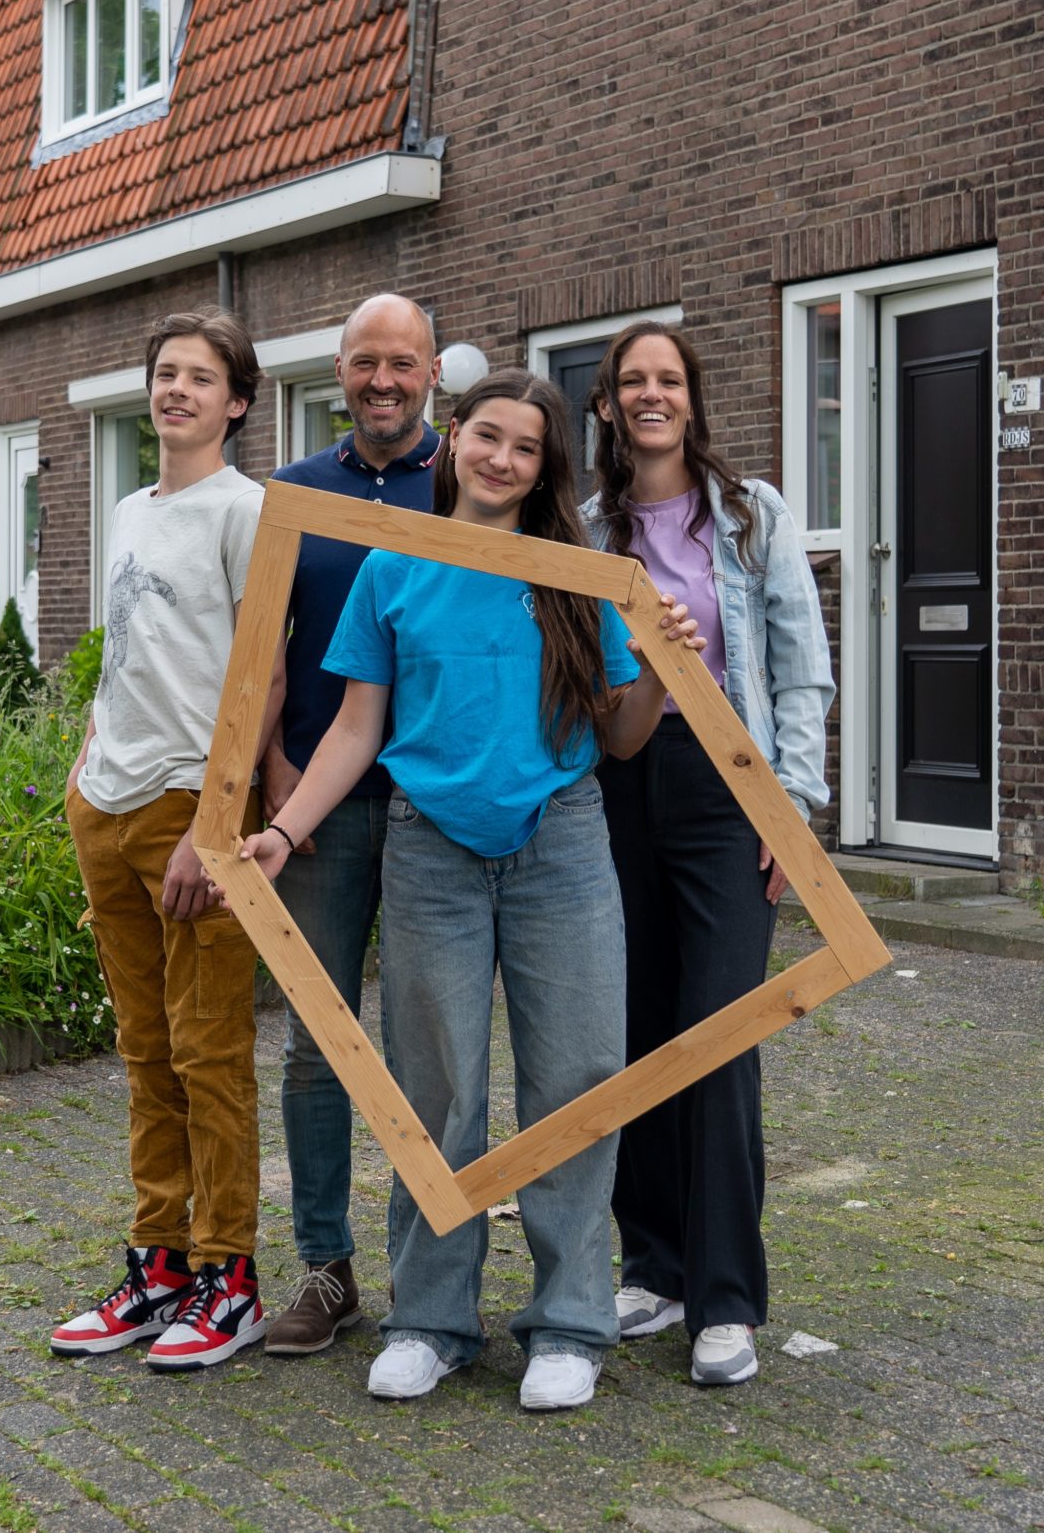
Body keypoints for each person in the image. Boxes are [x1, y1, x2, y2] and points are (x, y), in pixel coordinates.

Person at [235, 369, 701, 1414]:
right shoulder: (395, 562)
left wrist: (665, 668)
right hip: (429, 846)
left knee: (575, 1079)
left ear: (545, 468)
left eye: (524, 447)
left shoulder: (576, 571)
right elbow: (356, 727)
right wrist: (281, 828)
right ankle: (430, 1321)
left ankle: (569, 1323)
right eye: (486, 437)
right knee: (432, 1087)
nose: (501, 458)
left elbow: (623, 737)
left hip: (563, 843)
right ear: (453, 442)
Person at [579, 318, 836, 1388]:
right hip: (617, 784)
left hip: (732, 783)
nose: (651, 394)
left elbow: (798, 662)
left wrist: (799, 807)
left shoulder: (750, 511)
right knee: (637, 1026)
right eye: (633, 380)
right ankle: (655, 1264)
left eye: (668, 379)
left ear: (692, 397)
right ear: (606, 403)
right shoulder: (586, 527)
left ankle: (725, 1298)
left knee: (721, 1030)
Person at [53, 308, 277, 1372]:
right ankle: (159, 1264)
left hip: (194, 810)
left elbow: (259, 677)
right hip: (106, 801)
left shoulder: (248, 510)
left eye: (199, 376)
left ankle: (229, 1278)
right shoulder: (129, 509)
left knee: (210, 1056)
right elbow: (127, 649)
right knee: (146, 1054)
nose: (175, 389)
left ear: (236, 401)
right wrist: (86, 761)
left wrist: (214, 820)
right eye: (163, 373)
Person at [256, 294, 442, 1356]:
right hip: (317, 808)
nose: (383, 380)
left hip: (429, 805)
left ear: (430, 375)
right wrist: (278, 765)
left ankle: (429, 1272)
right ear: (339, 369)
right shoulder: (293, 491)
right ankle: (326, 1270)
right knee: (317, 1047)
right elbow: (265, 641)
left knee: (428, 1044)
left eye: (402, 362)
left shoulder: (464, 484)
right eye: (365, 362)